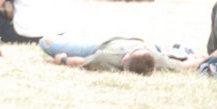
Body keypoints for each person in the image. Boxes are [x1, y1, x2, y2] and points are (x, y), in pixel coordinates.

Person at [39, 36, 201, 73]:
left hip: (99, 47)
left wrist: (63, 60)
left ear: (124, 59)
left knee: (45, 42)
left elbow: (82, 61)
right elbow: (182, 66)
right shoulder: (154, 58)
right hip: (158, 47)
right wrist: (205, 59)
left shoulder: (104, 57)